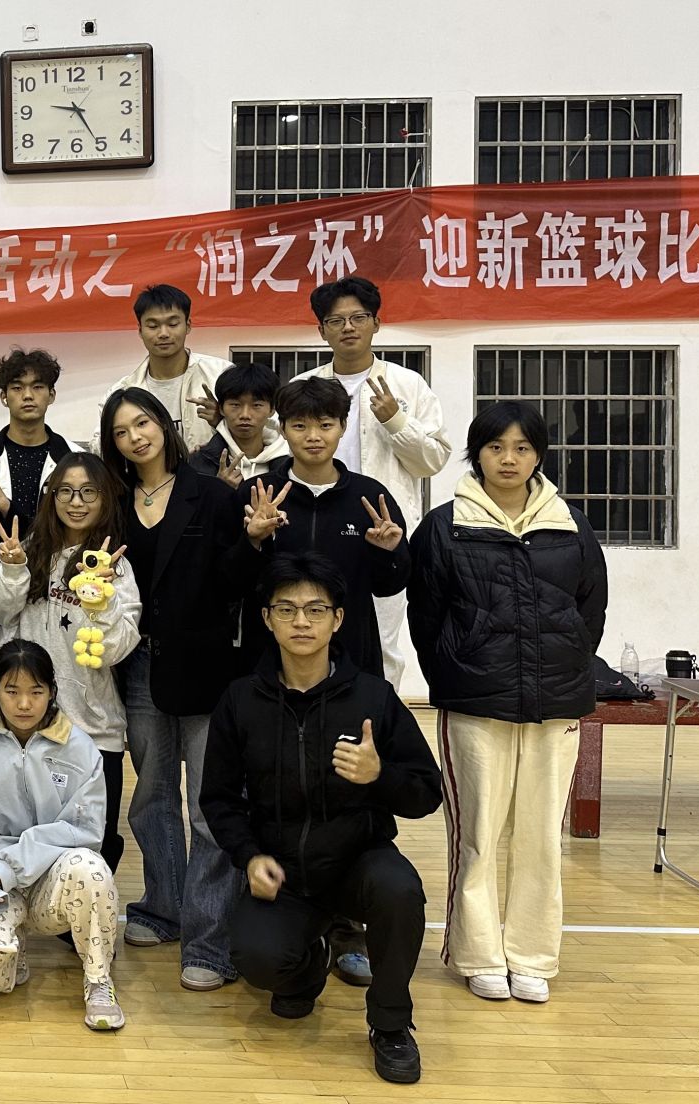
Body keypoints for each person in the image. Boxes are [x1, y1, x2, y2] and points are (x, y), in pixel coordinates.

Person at [200, 554, 443, 1085]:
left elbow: (427, 792)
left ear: (338, 619)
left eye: (315, 609)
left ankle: (390, 1024)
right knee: (257, 959)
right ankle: (310, 964)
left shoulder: (373, 697)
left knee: (400, 890)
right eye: (286, 609)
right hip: (284, 871)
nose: (302, 622)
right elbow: (218, 798)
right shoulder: (241, 701)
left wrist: (379, 776)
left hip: (358, 861)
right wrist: (250, 857)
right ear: (266, 619)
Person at [409, 401, 608, 1004]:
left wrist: (566, 665)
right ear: (477, 454)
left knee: (542, 836)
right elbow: (426, 616)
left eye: (522, 448)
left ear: (538, 456)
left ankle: (532, 956)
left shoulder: (569, 525)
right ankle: (477, 954)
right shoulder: (445, 526)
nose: (509, 459)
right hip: (476, 703)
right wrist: (456, 675)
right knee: (477, 833)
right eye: (496, 447)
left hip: (556, 703)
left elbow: (590, 609)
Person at [97, 389, 244, 992]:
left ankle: (210, 942)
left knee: (209, 806)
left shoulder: (212, 493)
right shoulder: (112, 504)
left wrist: (256, 538)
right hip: (138, 667)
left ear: (164, 425)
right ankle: (164, 907)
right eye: (122, 430)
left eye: (143, 423)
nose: (136, 437)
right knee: (151, 797)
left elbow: (236, 580)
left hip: (206, 667)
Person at [0, 640, 124, 1031]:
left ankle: (98, 981)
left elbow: (86, 831)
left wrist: (12, 865)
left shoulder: (80, 749)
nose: (24, 704)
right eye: (12, 691)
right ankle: (12, 955)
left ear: (52, 691)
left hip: (53, 882)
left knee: (92, 869)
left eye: (36, 692)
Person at [0, 453, 139, 871]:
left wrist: (103, 601)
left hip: (92, 727)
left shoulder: (115, 566)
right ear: (51, 498)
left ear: (105, 498)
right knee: (29, 833)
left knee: (93, 842)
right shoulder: (32, 550)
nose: (76, 501)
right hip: (29, 724)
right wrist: (12, 569)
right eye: (65, 491)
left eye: (88, 491)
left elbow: (117, 648)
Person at [305, 276, 453, 685]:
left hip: (382, 534)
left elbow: (433, 460)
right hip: (318, 527)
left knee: (382, 643)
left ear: (376, 323)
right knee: (312, 635)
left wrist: (396, 421)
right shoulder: (306, 387)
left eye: (358, 317)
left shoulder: (407, 385)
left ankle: (380, 718)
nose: (348, 327)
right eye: (336, 321)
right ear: (321, 330)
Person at [239, 376, 412, 680]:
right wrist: (253, 541)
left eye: (325, 425)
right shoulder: (256, 494)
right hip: (269, 655)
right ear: (282, 429)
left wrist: (388, 553)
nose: (313, 437)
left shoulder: (370, 498)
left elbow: (389, 586)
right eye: (300, 426)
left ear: (343, 427)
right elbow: (231, 581)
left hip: (352, 654)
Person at [0, 348, 75, 712]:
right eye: (17, 387)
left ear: (52, 394)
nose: (28, 395)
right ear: (3, 396)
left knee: (50, 708)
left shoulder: (73, 461)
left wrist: (7, 507)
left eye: (38, 387)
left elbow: (74, 534)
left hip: (54, 605)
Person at [91, 284, 233, 455]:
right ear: (140, 330)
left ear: (188, 325)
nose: (163, 333)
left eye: (173, 324)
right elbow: (100, 449)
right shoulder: (122, 392)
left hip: (213, 472)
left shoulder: (221, 375)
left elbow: (258, 432)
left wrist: (221, 421)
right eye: (153, 326)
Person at [190, 362, 290, 487]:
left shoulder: (292, 462)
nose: (245, 415)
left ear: (272, 410)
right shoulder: (199, 461)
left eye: (256, 405)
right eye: (235, 405)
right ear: (220, 409)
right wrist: (218, 488)